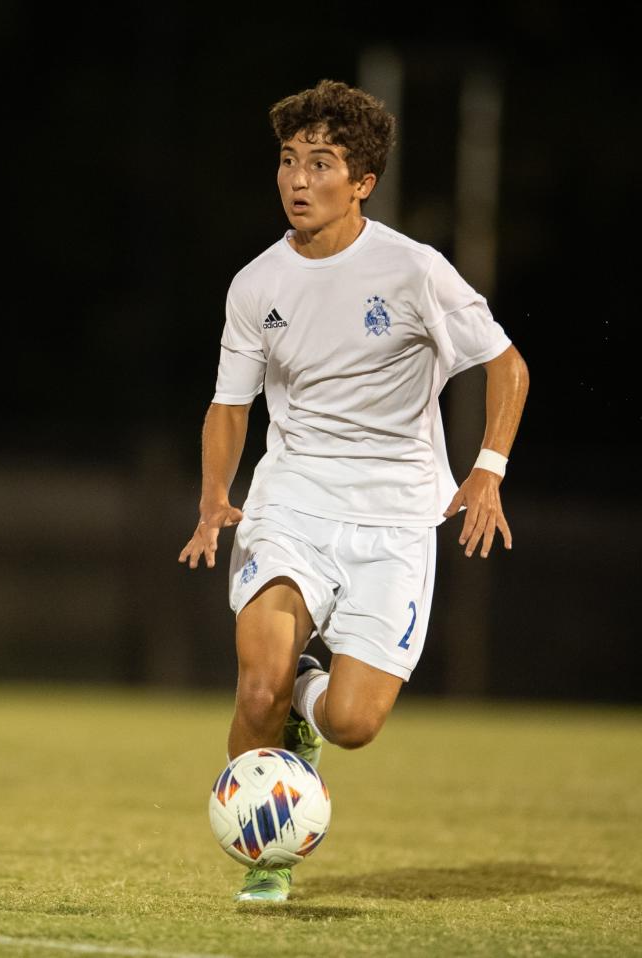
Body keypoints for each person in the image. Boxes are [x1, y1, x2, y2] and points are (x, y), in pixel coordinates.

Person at [178, 78, 529, 903]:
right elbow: (231, 405)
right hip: (291, 500)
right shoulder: (255, 284)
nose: (298, 180)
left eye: (322, 163)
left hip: (396, 517)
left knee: (353, 723)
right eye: (289, 161)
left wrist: (488, 469)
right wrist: (213, 496)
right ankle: (268, 856)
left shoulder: (414, 271)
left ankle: (312, 698)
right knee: (255, 684)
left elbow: (507, 365)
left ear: (363, 182)